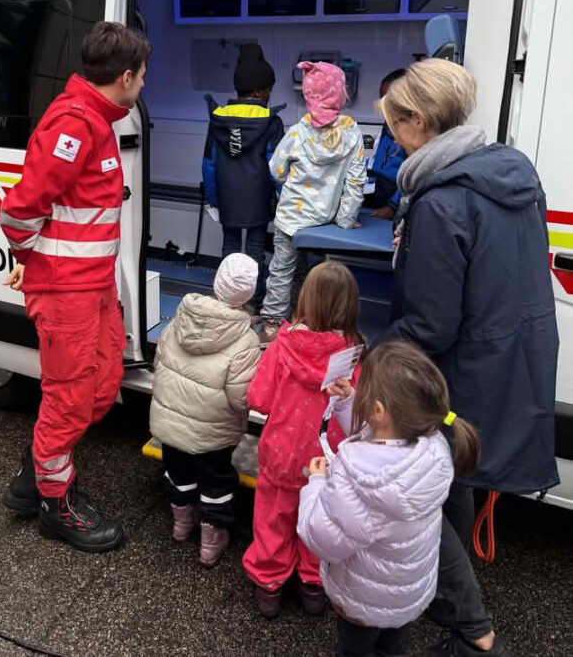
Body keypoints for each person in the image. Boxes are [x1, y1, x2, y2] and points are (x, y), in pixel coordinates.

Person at [378, 59, 559, 656]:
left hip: (458, 378)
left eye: (394, 125)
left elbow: (430, 323)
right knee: (454, 489)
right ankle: (452, 611)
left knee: (429, 501)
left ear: (420, 122)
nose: (391, 137)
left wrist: (370, 358)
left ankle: (471, 632)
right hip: (506, 363)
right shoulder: (509, 173)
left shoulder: (440, 202)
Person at [0, 21, 150, 553]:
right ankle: (54, 504)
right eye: (143, 75)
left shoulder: (99, 119)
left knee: (104, 385)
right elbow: (20, 211)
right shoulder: (75, 123)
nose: (143, 85)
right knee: (68, 397)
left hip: (95, 288)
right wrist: (26, 260)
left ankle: (34, 470)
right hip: (67, 292)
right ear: (127, 76)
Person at [298, 340, 480, 657]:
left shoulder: (357, 481)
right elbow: (385, 442)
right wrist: (348, 402)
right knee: (393, 650)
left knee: (356, 651)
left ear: (379, 411)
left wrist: (316, 483)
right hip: (406, 597)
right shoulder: (433, 448)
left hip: (363, 600)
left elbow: (320, 537)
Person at [242, 261, 364, 618]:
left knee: (273, 518)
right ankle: (312, 584)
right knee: (321, 521)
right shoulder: (354, 352)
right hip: (328, 460)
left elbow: (258, 399)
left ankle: (269, 585)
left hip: (281, 451)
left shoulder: (283, 345)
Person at [149, 253, 260, 568]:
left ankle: (182, 524)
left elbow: (160, 363)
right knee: (216, 482)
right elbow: (241, 399)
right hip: (213, 433)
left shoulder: (182, 316)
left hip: (170, 423)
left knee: (178, 473)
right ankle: (211, 542)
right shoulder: (246, 340)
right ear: (249, 294)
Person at [259, 61, 366, 341]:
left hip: (290, 220)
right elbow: (356, 183)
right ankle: (306, 321)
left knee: (281, 270)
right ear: (341, 95)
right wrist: (344, 220)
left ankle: (272, 325)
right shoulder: (353, 134)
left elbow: (276, 170)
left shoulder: (297, 132)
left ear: (308, 96)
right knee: (313, 275)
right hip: (323, 225)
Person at [202, 44, 285, 313]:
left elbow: (209, 163)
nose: (270, 95)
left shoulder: (218, 118)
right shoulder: (271, 121)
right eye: (269, 89)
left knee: (229, 247)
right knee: (255, 251)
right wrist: (284, 197)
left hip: (228, 198)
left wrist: (213, 200)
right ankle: (253, 302)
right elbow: (277, 167)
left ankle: (227, 301)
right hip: (258, 200)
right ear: (260, 91)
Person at [362, 68, 406, 221]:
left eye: (387, 101)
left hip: (389, 188)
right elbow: (380, 158)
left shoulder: (411, 131)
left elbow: (413, 179)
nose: (382, 106)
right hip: (377, 179)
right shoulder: (389, 123)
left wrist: (393, 207)